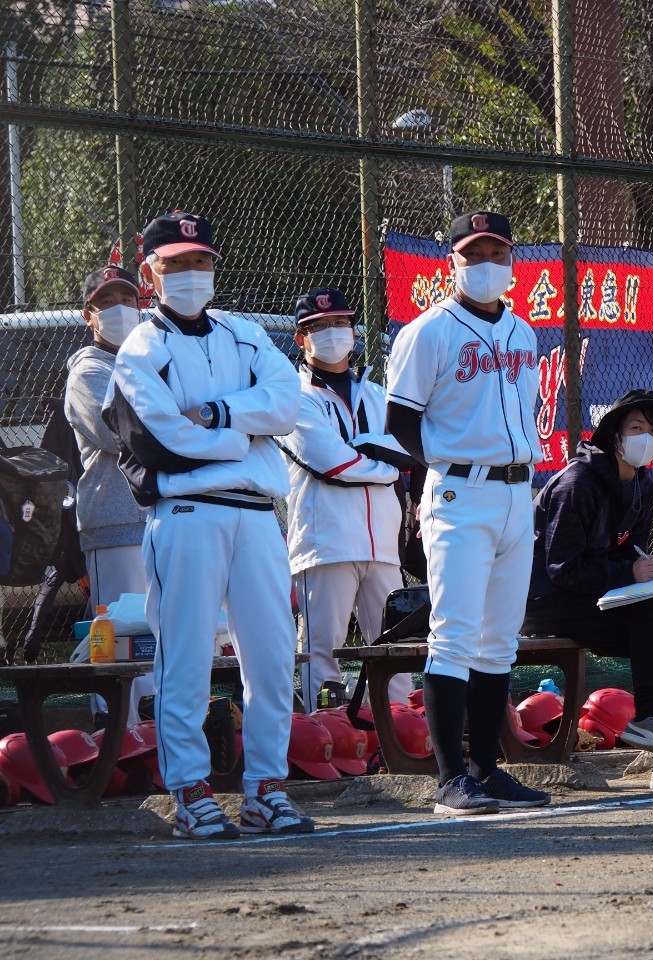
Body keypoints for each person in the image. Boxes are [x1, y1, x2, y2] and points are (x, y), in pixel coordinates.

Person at [103, 211, 309, 839]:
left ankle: (265, 789)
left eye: (201, 261)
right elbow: (160, 437)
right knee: (185, 657)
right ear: (150, 273)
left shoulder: (244, 334)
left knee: (274, 657)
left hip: (255, 516)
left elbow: (289, 402)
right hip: (185, 516)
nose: (191, 273)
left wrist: (218, 415)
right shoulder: (141, 347)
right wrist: (246, 435)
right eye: (176, 263)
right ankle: (190, 790)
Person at [385, 210, 550, 816]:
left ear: (511, 261)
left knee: (500, 641)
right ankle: (450, 779)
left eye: (496, 252)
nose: (486, 263)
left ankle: (486, 768)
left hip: (515, 493)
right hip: (457, 491)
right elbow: (400, 424)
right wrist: (422, 489)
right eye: (473, 252)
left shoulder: (524, 333)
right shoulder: (427, 332)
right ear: (451, 261)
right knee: (452, 635)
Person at [524, 389, 653, 792]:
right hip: (546, 602)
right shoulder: (576, 484)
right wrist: (630, 573)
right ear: (613, 436)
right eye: (637, 427)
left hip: (594, 599)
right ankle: (652, 722)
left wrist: (645, 573)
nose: (647, 437)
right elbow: (562, 568)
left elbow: (627, 557)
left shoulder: (643, 485)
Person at [277, 287, 414, 713]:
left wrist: (378, 455)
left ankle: (398, 740)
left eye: (339, 323)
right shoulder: (293, 397)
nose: (332, 332)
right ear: (301, 339)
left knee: (396, 654)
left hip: (382, 545)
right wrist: (387, 465)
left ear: (354, 330)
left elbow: (411, 449)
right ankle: (326, 740)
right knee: (323, 654)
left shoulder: (374, 393)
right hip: (325, 543)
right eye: (317, 326)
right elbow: (332, 465)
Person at [65, 266, 148, 613]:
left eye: (127, 299)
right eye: (106, 302)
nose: (119, 308)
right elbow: (125, 437)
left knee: (169, 635)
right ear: (89, 316)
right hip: (116, 522)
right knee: (121, 638)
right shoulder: (88, 372)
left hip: (166, 516)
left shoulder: (151, 361)